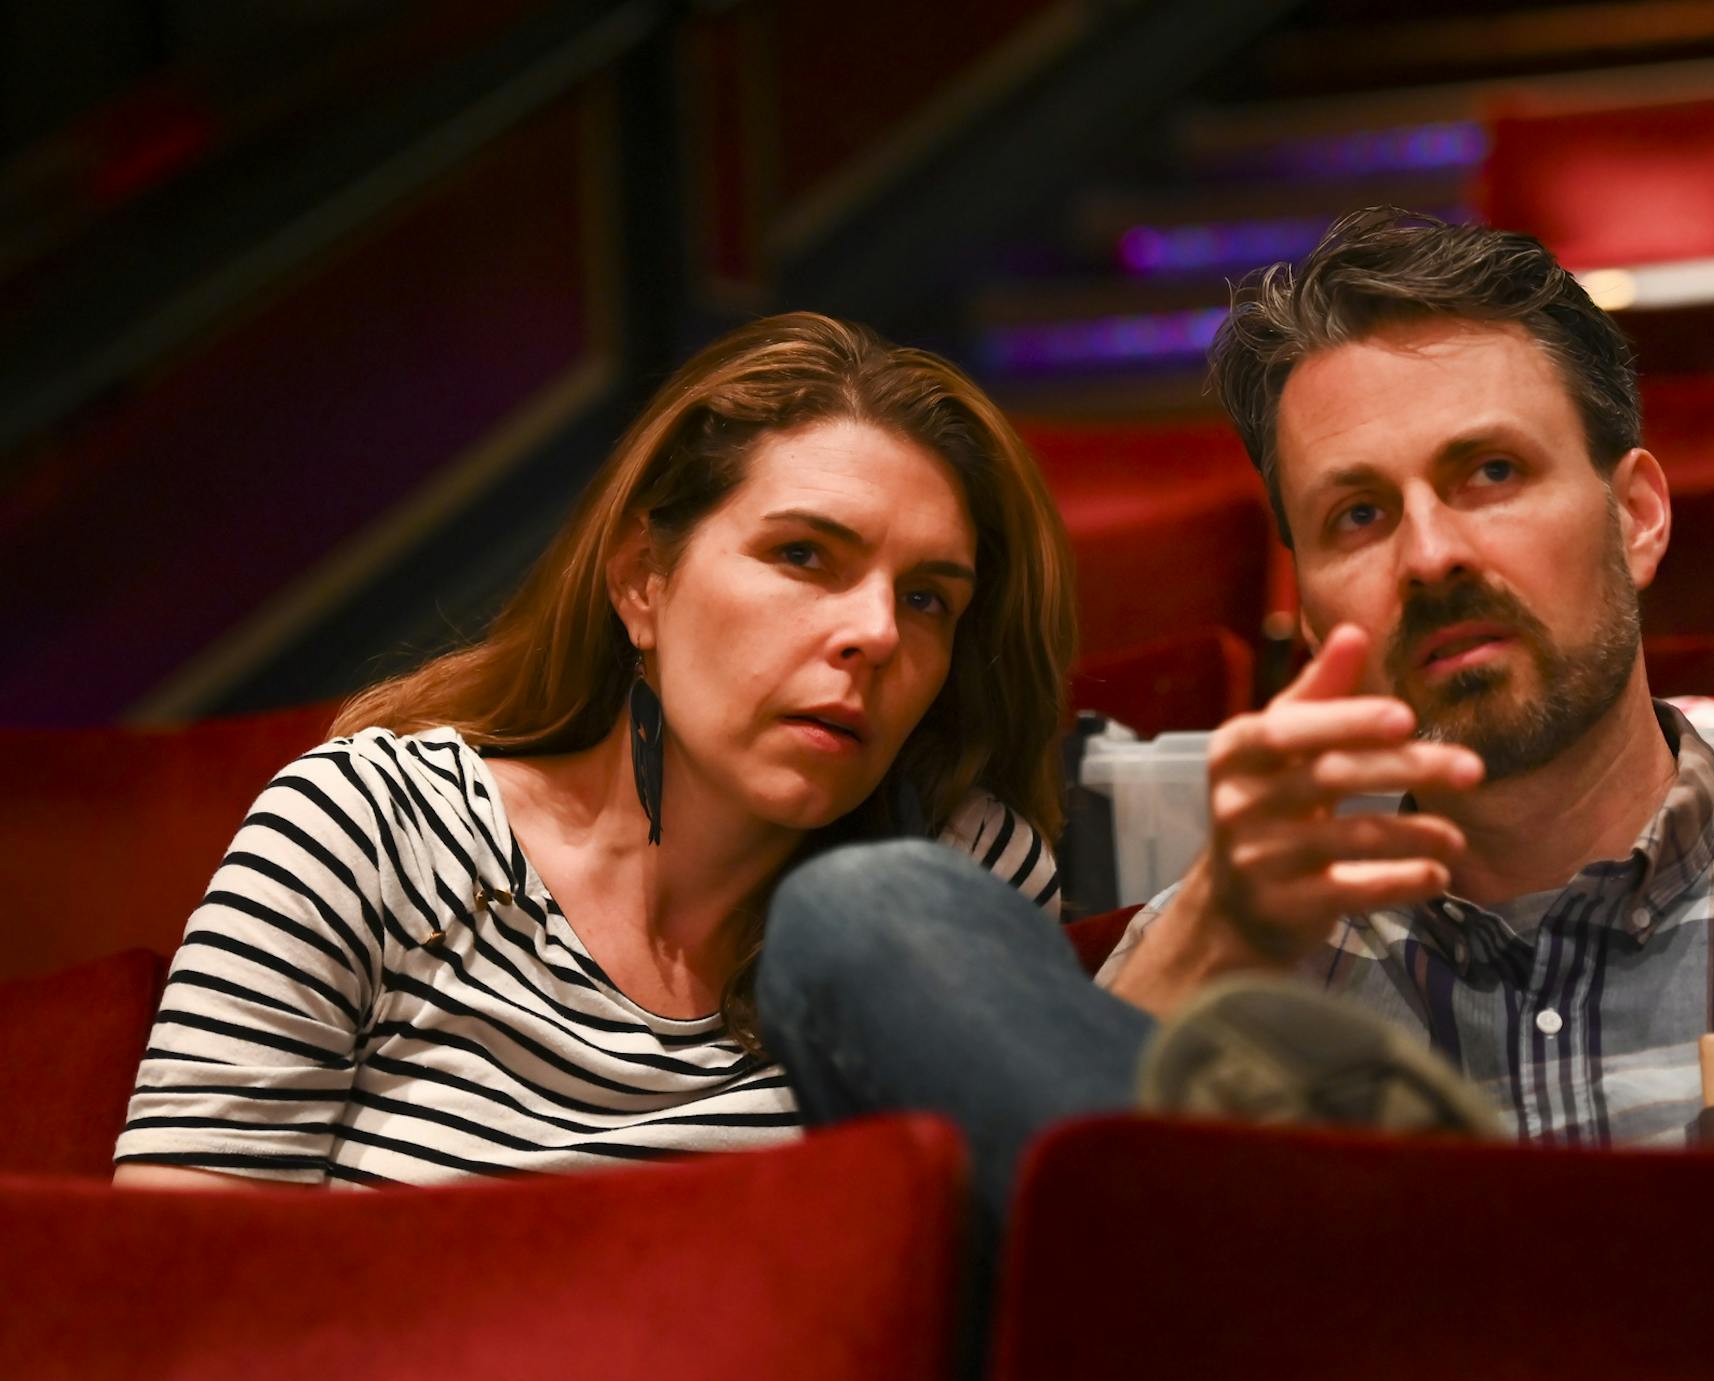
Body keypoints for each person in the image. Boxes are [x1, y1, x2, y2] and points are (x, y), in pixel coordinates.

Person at [759, 208, 1714, 1219]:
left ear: (1636, 515)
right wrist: (1208, 939)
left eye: (1490, 472)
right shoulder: (1220, 1002)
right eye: (1359, 513)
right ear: (1303, 605)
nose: (1431, 554)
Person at [113, 311, 1076, 1189]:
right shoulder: (370, 828)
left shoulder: (957, 874)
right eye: (803, 555)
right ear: (642, 581)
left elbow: (1029, 1260)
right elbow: (173, 1295)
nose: (876, 633)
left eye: (927, 600)